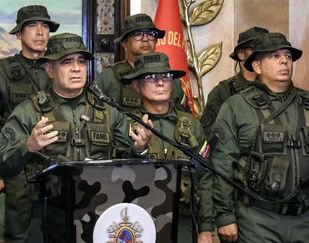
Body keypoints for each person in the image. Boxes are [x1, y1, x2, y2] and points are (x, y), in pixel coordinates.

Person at [0, 32, 151, 242]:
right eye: (67, 62)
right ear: (49, 69)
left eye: (81, 62)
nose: (76, 68)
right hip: (47, 218)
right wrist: (27, 147)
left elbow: (128, 162)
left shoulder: (108, 111)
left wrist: (140, 150)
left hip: (99, 216)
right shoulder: (29, 111)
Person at [211, 32, 309, 243]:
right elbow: (221, 165)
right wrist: (224, 216)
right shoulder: (236, 106)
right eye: (275, 56)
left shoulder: (307, 103)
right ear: (256, 66)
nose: (284, 61)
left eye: (288, 56)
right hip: (257, 219)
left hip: (304, 219)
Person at [0, 5, 59, 242]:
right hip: (18, 167)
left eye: (45, 26)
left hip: (58, 163)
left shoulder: (61, 68)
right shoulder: (1, 72)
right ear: (19, 34)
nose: (40, 32)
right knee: (18, 235)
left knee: (61, 229)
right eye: (32, 26)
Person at [121, 52, 213, 243]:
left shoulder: (191, 124)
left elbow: (204, 178)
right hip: (138, 222)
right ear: (136, 85)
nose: (160, 82)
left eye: (166, 76)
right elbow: (113, 175)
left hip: (185, 222)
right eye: (151, 77)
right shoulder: (125, 124)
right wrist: (138, 151)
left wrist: (206, 229)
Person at [93, 13, 186, 112]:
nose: (145, 39)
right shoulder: (108, 78)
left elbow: (182, 117)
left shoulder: (171, 79)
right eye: (137, 34)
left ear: (156, 41)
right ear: (124, 42)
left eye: (151, 34)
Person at [201, 27, 269, 137]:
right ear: (241, 54)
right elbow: (209, 135)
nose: (261, 54)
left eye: (266, 50)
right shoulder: (223, 91)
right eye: (255, 49)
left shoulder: (275, 88)